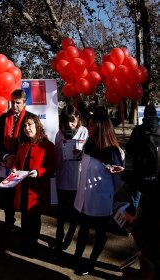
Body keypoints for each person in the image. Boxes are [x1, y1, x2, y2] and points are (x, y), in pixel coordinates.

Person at [73, 109, 124, 276]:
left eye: (94, 126)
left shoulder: (112, 151)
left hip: (100, 200)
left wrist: (106, 194)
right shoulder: (89, 144)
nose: (90, 128)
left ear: (102, 128)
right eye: (90, 125)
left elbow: (119, 179)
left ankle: (91, 263)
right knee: (83, 230)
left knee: (100, 234)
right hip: (84, 198)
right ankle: (77, 258)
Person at [123, 104, 160, 279]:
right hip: (156, 177)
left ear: (146, 115)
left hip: (140, 176)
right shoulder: (159, 130)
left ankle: (131, 226)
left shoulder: (139, 129)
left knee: (136, 202)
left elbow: (129, 150)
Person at [11, 114, 57, 254]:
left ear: (36, 125)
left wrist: (39, 172)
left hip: (38, 189)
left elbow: (53, 167)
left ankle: (32, 245)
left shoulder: (48, 145)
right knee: (25, 217)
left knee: (34, 218)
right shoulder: (23, 144)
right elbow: (17, 162)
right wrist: (14, 168)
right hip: (23, 187)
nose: (26, 128)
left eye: (29, 124)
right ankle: (25, 243)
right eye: (24, 126)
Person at [0, 89, 34, 235]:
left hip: (23, 164)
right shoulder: (5, 117)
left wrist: (17, 158)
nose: (15, 105)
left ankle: (25, 229)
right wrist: (6, 156)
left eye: (18, 103)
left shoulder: (31, 118)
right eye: (13, 102)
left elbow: (32, 141)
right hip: (7, 164)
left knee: (23, 196)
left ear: (24, 103)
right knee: (7, 196)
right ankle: (8, 222)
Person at [52, 105, 89, 251]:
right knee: (60, 214)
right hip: (62, 180)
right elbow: (57, 158)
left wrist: (81, 154)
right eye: (67, 121)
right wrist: (63, 150)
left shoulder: (83, 132)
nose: (70, 124)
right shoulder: (59, 134)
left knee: (74, 215)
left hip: (77, 181)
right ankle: (58, 238)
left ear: (78, 118)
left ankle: (67, 240)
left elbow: (88, 155)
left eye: (72, 121)